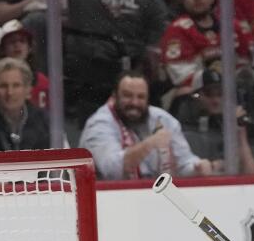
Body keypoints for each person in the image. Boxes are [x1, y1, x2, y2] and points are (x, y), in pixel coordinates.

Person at [80, 70, 212, 180]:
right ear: (115, 96)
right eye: (127, 96)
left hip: (155, 197)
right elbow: (113, 171)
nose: (135, 103)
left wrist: (197, 167)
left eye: (141, 97)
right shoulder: (99, 124)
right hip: (108, 201)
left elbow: (184, 164)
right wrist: (150, 144)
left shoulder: (162, 119)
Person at [0, 57, 53, 152]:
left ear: (28, 90)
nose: (10, 92)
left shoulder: (47, 123)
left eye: (16, 85)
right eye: (3, 86)